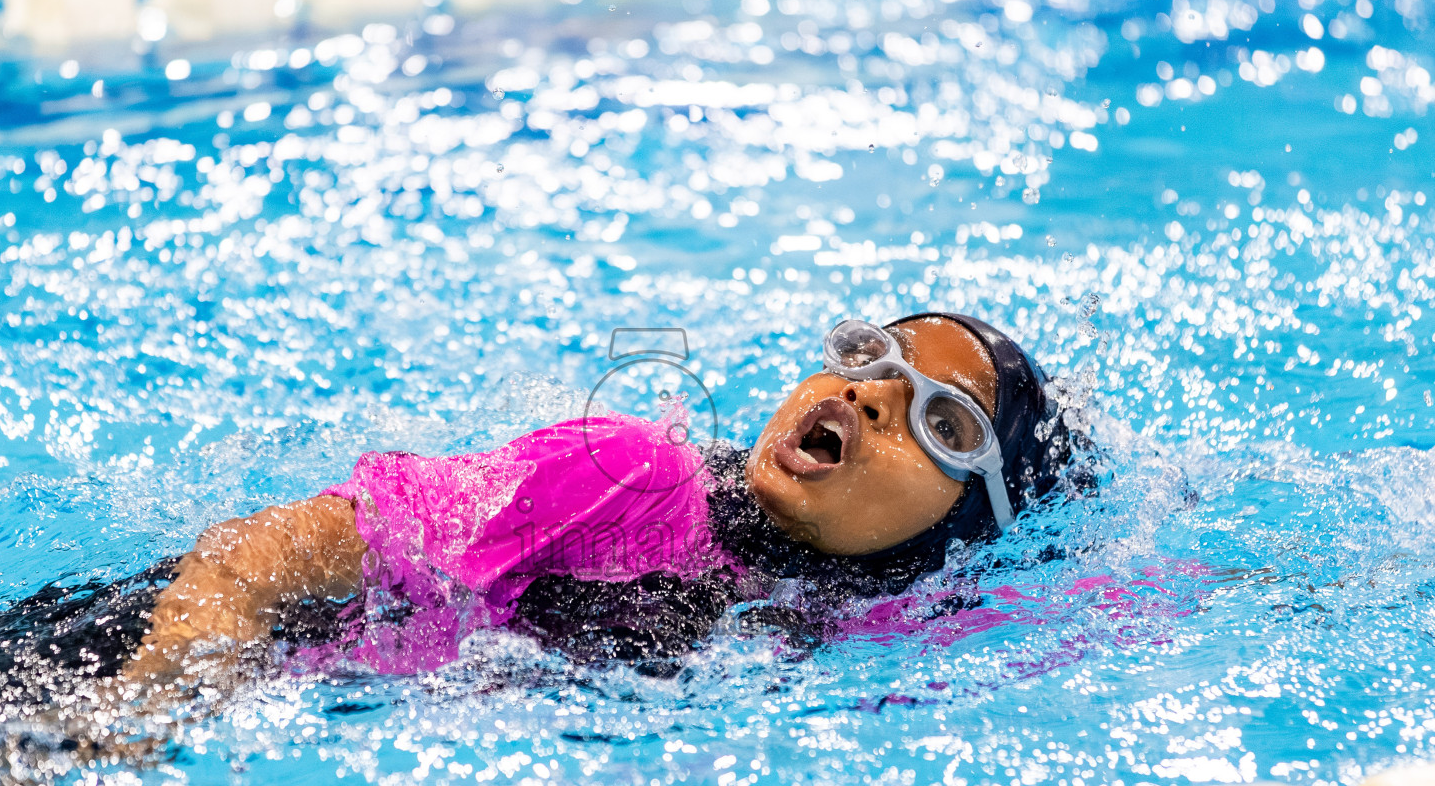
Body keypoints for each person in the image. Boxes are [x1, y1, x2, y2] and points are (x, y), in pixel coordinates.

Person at [117, 311, 1080, 689]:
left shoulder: (898, 618)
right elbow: (276, 547)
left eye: (942, 422)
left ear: (966, 524)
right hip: (155, 650)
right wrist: (163, 685)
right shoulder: (632, 481)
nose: (872, 395)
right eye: (872, 358)